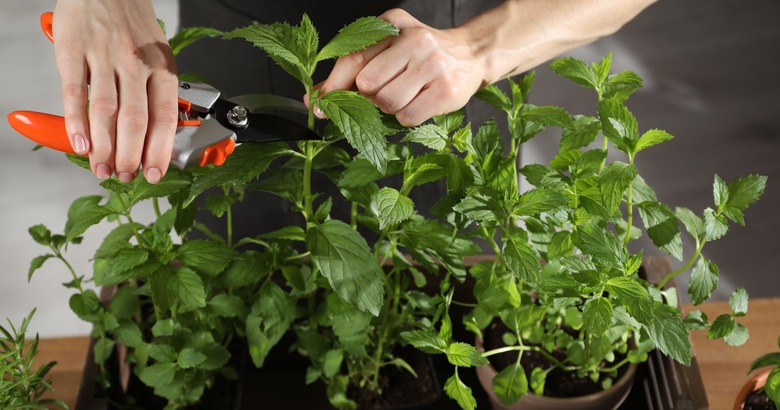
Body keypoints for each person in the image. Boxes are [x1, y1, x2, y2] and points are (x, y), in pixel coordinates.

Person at [51, 0, 656, 185]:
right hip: (241, 39)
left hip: (438, 65)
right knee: (233, 259)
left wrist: (481, 47)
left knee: (435, 274)